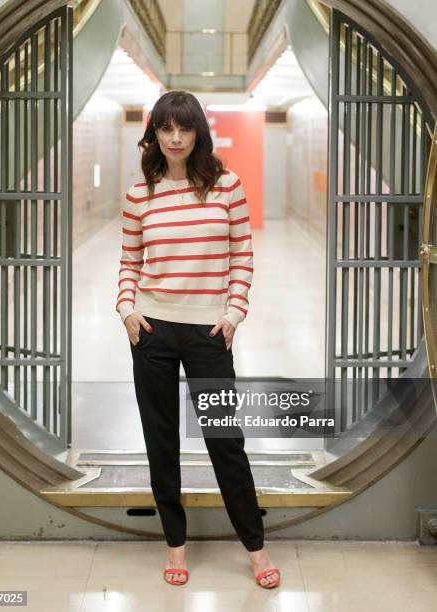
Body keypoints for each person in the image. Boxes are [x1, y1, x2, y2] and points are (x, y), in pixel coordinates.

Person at [115, 89, 281, 589]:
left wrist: (233, 313)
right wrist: (127, 309)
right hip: (152, 332)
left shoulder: (227, 186)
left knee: (225, 441)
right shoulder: (138, 195)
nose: (175, 138)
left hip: (209, 331)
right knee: (160, 442)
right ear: (154, 135)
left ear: (198, 133)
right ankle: (175, 545)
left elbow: (242, 255)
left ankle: (256, 548)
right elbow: (129, 261)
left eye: (183, 129)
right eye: (165, 129)